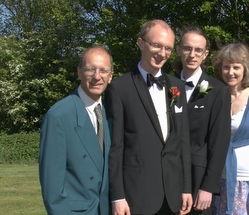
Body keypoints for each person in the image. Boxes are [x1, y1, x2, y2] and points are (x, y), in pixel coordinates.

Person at [105, 19, 193, 215]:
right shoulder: (119, 88)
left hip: (172, 195)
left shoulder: (177, 87)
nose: (163, 54)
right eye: (157, 45)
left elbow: (183, 142)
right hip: (137, 196)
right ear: (141, 43)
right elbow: (116, 147)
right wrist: (118, 196)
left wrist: (186, 187)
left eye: (168, 48)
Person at [39, 45, 113, 215]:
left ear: (110, 77)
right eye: (90, 69)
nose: (97, 76)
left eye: (103, 70)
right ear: (79, 72)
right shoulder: (58, 116)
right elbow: (52, 186)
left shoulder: (111, 112)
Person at [173, 26, 231, 215]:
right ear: (179, 50)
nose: (192, 54)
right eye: (188, 48)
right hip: (169, 174)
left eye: (198, 50)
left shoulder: (218, 91)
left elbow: (219, 142)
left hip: (199, 179)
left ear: (205, 54)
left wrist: (208, 186)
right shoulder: (166, 87)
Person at [212, 43, 249, 215]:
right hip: (219, 182)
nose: (230, 72)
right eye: (226, 67)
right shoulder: (215, 97)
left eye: (236, 67)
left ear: (245, 69)